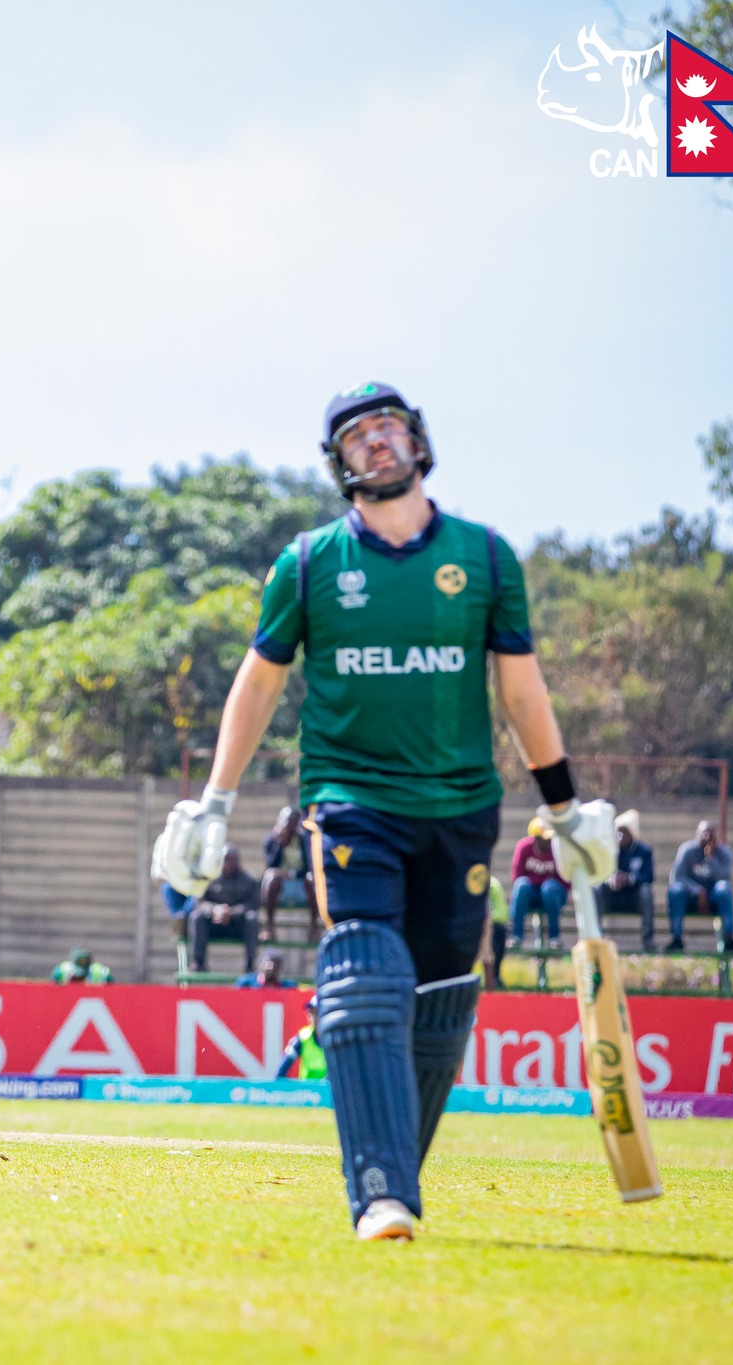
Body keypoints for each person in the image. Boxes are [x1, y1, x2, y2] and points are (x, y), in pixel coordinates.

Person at [155, 380, 615, 1242]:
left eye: (389, 426)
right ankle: (380, 1193)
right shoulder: (309, 562)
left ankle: (395, 1167)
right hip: (351, 801)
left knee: (441, 991)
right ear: (340, 462)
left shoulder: (484, 557)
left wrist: (564, 806)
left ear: (417, 440)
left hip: (462, 808)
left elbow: (521, 690)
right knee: (365, 974)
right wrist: (214, 801)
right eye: (357, 434)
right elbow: (260, 682)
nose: (376, 441)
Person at [668, 820, 733, 954]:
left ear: (716, 835)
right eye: (703, 833)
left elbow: (724, 876)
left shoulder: (725, 852)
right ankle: (676, 939)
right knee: (675, 891)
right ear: (696, 834)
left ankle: (729, 938)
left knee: (724, 888)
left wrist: (710, 858)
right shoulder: (686, 850)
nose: (706, 837)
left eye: (710, 834)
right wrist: (697, 890)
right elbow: (677, 877)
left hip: (713, 899)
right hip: (690, 898)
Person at [191, 845, 261, 973]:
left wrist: (231, 912)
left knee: (252, 919)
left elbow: (253, 904)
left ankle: (250, 965)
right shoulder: (208, 877)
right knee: (196, 917)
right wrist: (215, 910)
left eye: (231, 860)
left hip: (237, 925)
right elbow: (200, 903)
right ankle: (198, 963)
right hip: (213, 924)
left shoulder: (249, 879)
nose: (228, 863)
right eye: (225, 859)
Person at [597, 809, 657, 950]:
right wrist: (610, 880)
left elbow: (649, 876)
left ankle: (648, 940)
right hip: (611, 898)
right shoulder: (609, 850)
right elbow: (600, 873)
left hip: (632, 899)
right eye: (618, 832)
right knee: (597, 887)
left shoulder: (644, 851)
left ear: (632, 833)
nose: (620, 836)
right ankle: (597, 934)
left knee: (646, 891)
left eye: (623, 832)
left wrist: (629, 879)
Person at [508, 816, 567, 948]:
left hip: (553, 897)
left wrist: (542, 883)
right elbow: (517, 877)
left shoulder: (558, 849)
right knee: (522, 885)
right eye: (544, 838)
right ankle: (516, 935)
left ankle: (554, 938)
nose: (548, 841)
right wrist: (539, 882)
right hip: (531, 896)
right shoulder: (524, 847)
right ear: (535, 838)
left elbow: (565, 880)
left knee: (549, 888)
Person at [261, 806, 313, 920]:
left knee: (313, 879)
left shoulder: (304, 840)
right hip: (281, 886)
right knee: (270, 878)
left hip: (301, 883)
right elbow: (270, 866)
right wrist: (280, 843)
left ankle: (314, 928)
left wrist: (291, 874)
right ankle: (270, 927)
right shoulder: (271, 840)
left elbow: (309, 867)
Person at [278, 994, 327, 1080]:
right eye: (311, 1012)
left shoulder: (336, 1038)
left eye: (318, 1013)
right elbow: (282, 1069)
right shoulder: (303, 1037)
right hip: (307, 1091)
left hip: (331, 1090)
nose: (314, 1017)